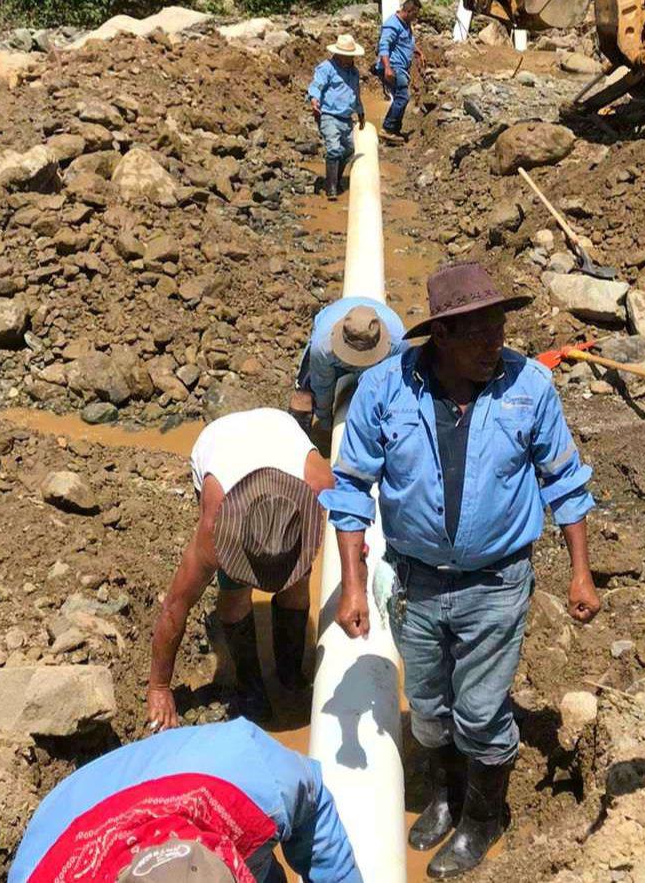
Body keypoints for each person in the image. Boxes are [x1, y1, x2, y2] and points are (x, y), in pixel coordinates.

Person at [319, 263, 602, 879]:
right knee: (426, 705)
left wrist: (582, 572)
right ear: (440, 337)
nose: (495, 348)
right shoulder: (385, 390)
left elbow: (566, 482)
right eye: (479, 338)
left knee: (478, 711)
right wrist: (351, 585)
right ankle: (446, 796)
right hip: (416, 582)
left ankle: (483, 818)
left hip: (495, 584)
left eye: (500, 333)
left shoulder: (528, 387)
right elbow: (349, 491)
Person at [147, 408, 332, 727]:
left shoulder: (320, 487)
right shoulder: (214, 531)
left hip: (278, 427)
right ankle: (251, 682)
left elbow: (354, 530)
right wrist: (159, 687)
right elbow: (175, 606)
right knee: (233, 596)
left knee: (298, 582)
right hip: (219, 443)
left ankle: (289, 671)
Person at [8, 718, 362, 883]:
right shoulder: (37, 875)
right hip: (60, 825)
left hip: (211, 771)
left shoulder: (262, 782)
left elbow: (314, 806)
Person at [288, 296, 408, 439]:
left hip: (380, 361)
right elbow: (322, 386)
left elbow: (398, 386)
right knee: (304, 398)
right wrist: (325, 421)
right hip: (333, 355)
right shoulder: (323, 346)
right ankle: (295, 443)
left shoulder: (398, 341)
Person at [308, 33, 367, 201]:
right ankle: (331, 187)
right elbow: (316, 85)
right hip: (328, 115)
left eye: (352, 56)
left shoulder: (354, 72)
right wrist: (314, 99)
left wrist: (360, 112)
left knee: (349, 150)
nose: (351, 59)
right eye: (348, 56)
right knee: (334, 148)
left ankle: (337, 179)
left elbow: (355, 93)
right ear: (339, 54)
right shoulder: (326, 68)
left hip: (346, 118)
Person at [375, 0, 422, 141]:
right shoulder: (392, 24)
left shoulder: (406, 24)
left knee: (400, 97)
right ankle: (388, 128)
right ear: (409, 11)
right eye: (415, 15)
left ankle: (394, 130)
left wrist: (417, 51)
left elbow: (407, 41)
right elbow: (384, 46)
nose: (416, 19)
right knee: (403, 96)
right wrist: (387, 68)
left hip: (400, 68)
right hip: (393, 67)